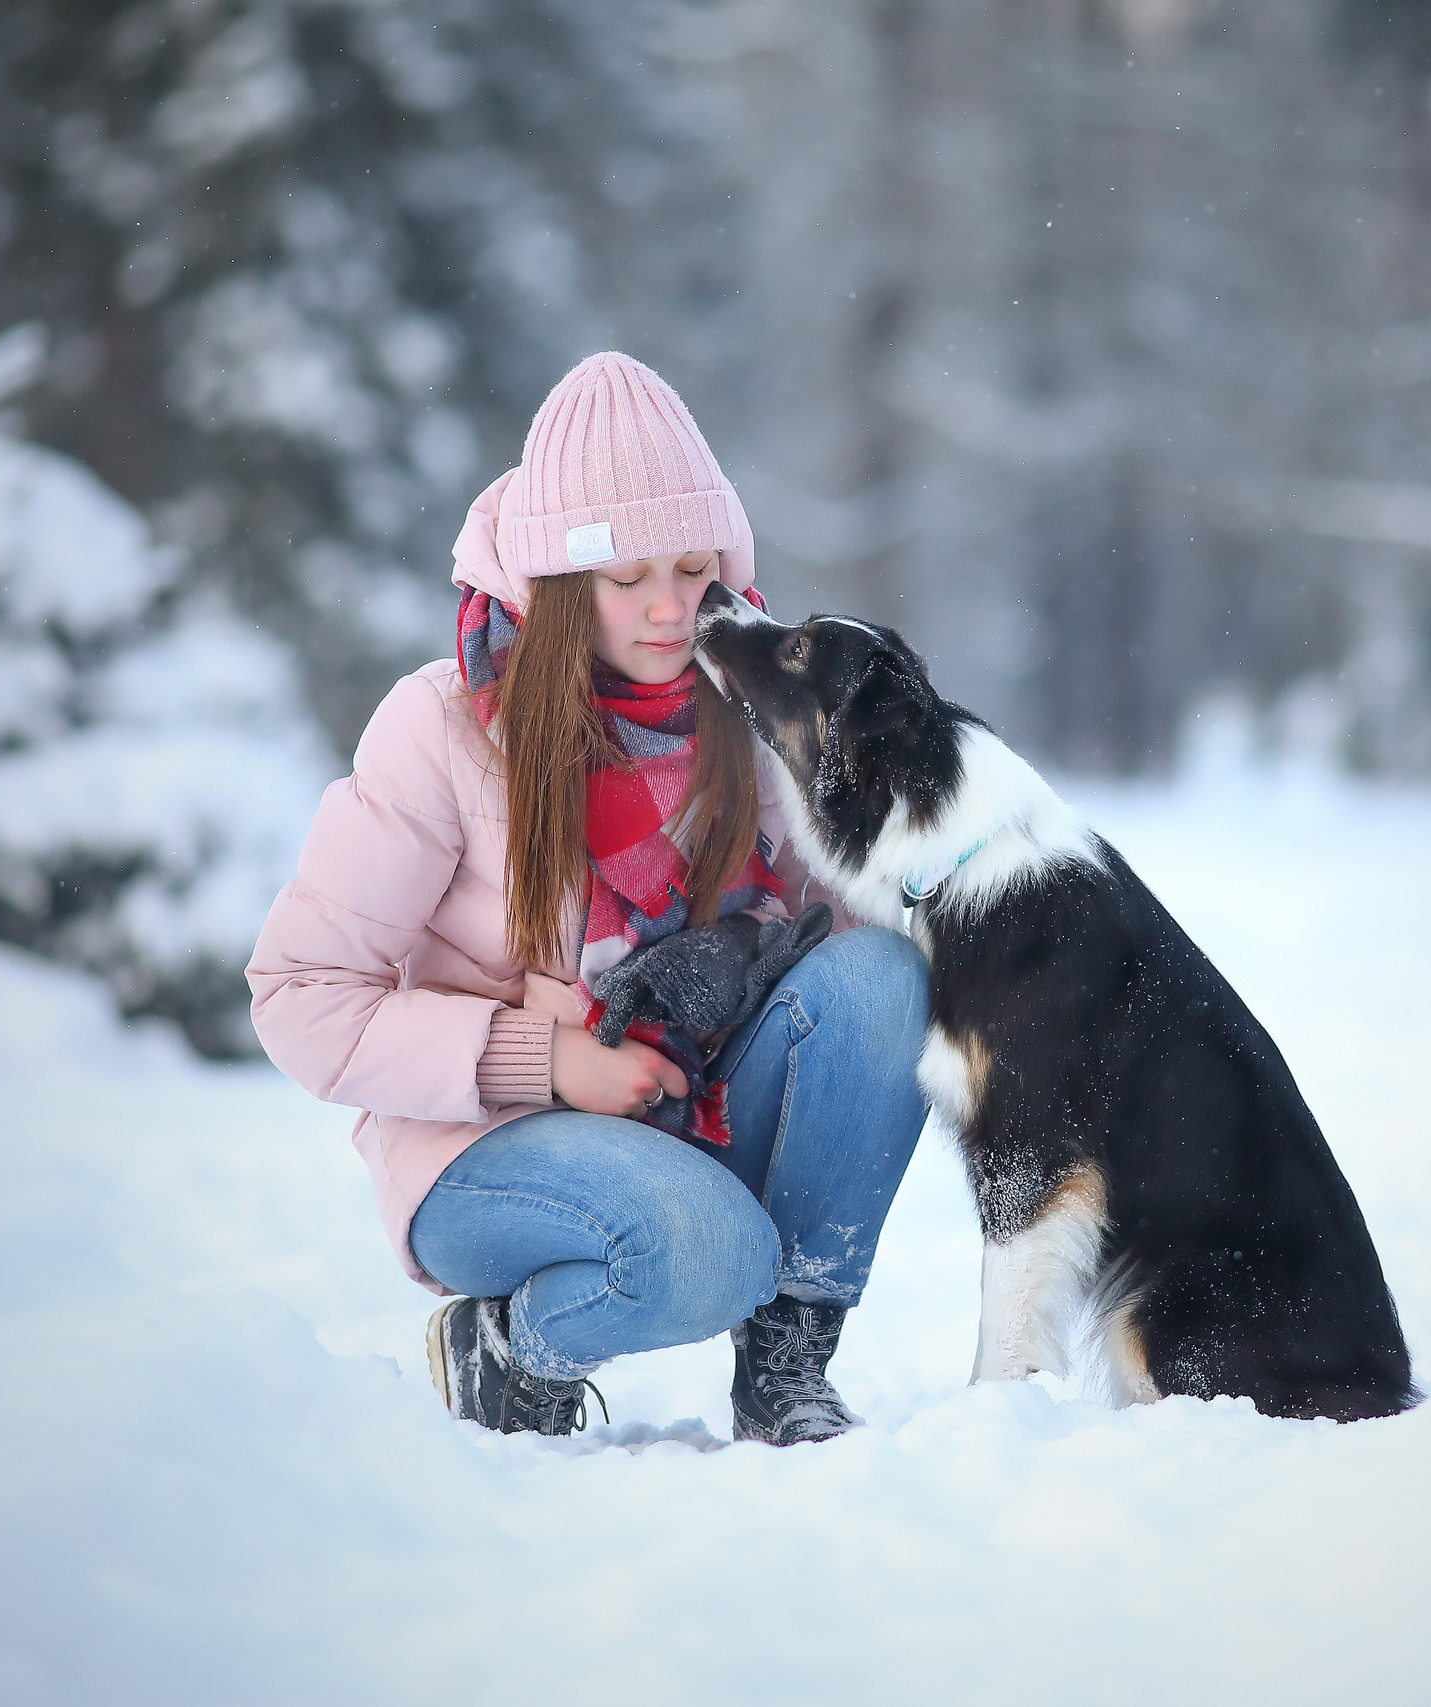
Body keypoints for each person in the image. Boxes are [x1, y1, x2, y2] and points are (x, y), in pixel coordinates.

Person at [247, 353, 928, 1446]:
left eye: (695, 568)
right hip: (487, 1146)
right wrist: (548, 1060)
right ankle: (511, 1348)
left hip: (687, 1102)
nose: (671, 608)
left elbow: (847, 938)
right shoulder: (440, 728)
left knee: (886, 978)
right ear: (561, 588)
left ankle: (787, 1368)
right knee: (709, 1253)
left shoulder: (748, 717)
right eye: (628, 578)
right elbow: (301, 995)